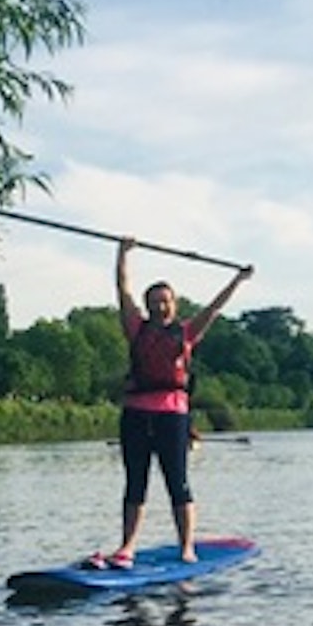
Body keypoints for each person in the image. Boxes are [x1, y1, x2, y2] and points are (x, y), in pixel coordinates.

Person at [95, 238, 253, 567]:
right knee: (135, 482)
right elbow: (121, 288)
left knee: (177, 482)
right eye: (154, 302)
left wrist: (237, 280)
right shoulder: (135, 328)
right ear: (147, 305)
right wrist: (123, 254)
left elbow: (215, 308)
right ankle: (127, 548)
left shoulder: (187, 333)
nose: (160, 307)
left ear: (174, 305)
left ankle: (186, 547)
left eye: (165, 302)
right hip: (136, 414)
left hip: (172, 416)